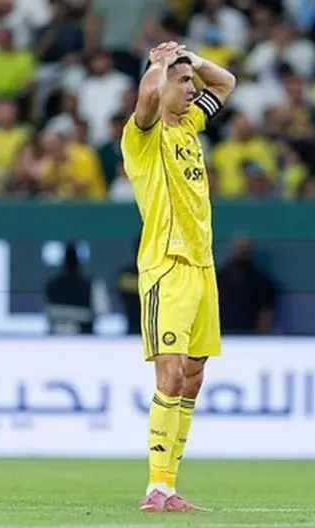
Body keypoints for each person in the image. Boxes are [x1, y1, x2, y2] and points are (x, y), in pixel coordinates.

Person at [123, 40, 235, 512]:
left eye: (191, 82)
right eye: (183, 82)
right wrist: (160, 63)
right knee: (169, 375)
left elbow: (225, 83)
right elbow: (148, 97)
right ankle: (154, 485)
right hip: (166, 266)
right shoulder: (143, 136)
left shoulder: (190, 126)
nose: (192, 88)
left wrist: (192, 58)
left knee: (192, 377)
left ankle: (169, 485)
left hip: (202, 267)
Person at [43, 242, 106, 335]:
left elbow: (100, 311)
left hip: (74, 337)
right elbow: (101, 311)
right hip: (82, 337)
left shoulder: (51, 284)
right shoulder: (91, 284)